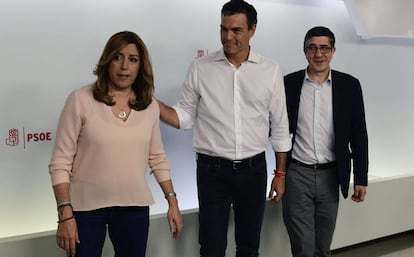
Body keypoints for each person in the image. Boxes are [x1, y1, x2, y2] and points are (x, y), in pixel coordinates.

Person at [157, 1, 291, 256]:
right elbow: (184, 117)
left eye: (236, 30)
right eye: (223, 29)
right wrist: (151, 104)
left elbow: (280, 127)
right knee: (211, 247)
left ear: (252, 30)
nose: (228, 37)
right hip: (212, 172)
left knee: (249, 246)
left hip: (254, 170)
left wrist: (281, 175)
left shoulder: (270, 70)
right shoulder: (200, 68)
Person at [48, 31, 183, 257]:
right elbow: (60, 163)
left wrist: (173, 202)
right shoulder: (80, 100)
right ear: (107, 61)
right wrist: (65, 213)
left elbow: (157, 158)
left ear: (141, 66)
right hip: (85, 211)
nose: (124, 67)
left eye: (133, 59)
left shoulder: (148, 105)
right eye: (117, 57)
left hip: (134, 209)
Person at [281, 26, 369, 257]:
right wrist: (279, 173)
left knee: (323, 246)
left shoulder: (349, 85)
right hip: (297, 173)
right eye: (312, 48)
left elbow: (359, 134)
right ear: (305, 52)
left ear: (333, 51)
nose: (318, 54)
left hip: (332, 175)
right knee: (303, 246)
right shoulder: (288, 84)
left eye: (324, 48)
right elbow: (277, 129)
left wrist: (361, 178)